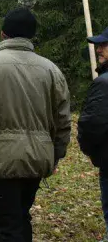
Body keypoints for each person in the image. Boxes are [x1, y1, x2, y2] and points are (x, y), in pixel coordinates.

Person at [0, 7, 71, 242]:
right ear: (31, 35)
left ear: (3, 35)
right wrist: (56, 154)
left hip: (2, 158)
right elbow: (62, 120)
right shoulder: (51, 70)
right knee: (21, 216)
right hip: (39, 157)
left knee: (8, 223)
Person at [79, 26, 108, 242]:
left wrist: (89, 150)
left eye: (104, 45)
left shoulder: (104, 84)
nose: (98, 49)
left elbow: (92, 124)